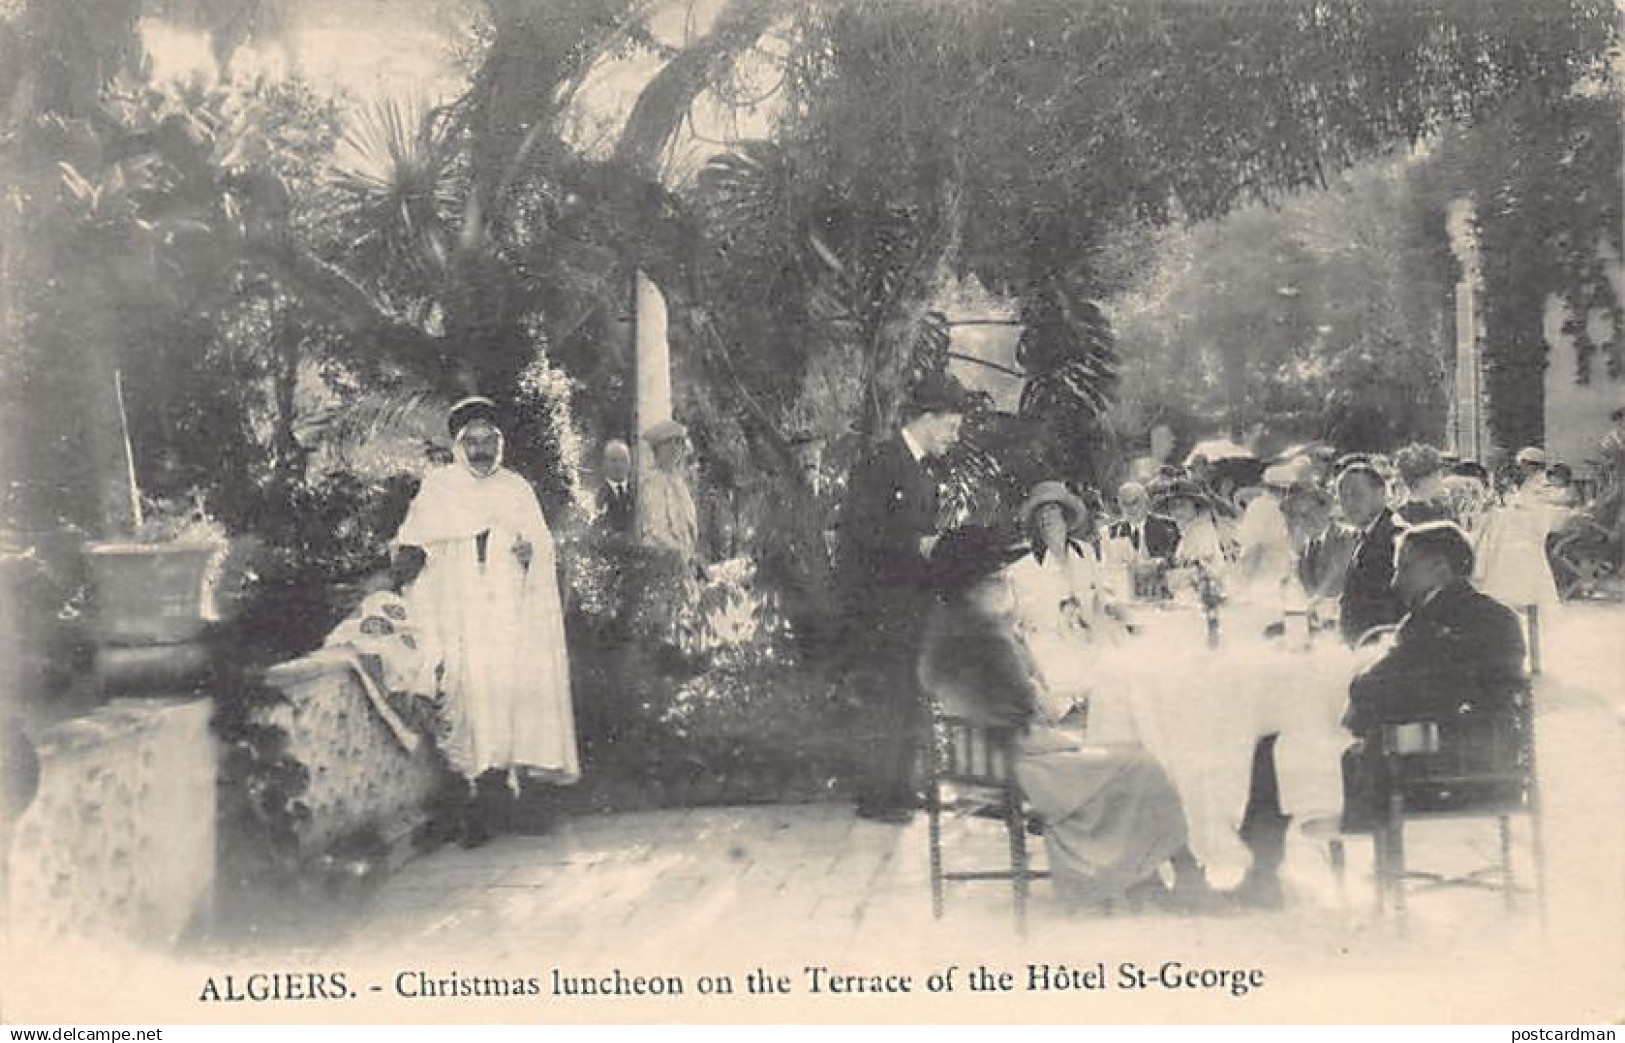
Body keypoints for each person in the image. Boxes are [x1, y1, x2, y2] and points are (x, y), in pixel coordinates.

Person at [917, 526, 1203, 912]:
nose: (1003, 582)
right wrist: (1070, 738)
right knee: (1141, 765)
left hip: (985, 759)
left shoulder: (947, 628)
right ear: (973, 583)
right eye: (996, 576)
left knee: (1124, 761)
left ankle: (1143, 879)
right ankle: (1174, 878)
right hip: (1014, 765)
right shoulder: (984, 637)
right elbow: (1027, 712)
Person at [392, 396, 579, 846]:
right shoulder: (440, 489)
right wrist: (410, 562)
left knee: (508, 700)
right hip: (458, 614)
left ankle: (510, 803)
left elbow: (540, 544)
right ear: (459, 445)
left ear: (500, 444)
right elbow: (410, 545)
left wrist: (530, 553)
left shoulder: (515, 488)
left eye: (488, 441)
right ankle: (476, 805)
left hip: (509, 615)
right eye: (472, 441)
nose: (481, 450)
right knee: (467, 700)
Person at [834, 371, 971, 823]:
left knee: (907, 693)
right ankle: (877, 798)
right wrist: (916, 545)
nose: (953, 438)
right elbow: (859, 531)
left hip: (907, 604)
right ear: (928, 419)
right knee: (885, 696)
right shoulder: (881, 463)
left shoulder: (920, 472)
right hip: (876, 606)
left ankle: (899, 787)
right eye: (951, 427)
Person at [1339, 522, 1528, 830]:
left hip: (1457, 771)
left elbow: (1381, 688)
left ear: (1440, 568)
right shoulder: (1490, 614)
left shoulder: (1440, 618)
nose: (1395, 581)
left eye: (1404, 568)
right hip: (1493, 762)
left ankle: (1365, 858)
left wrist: (1357, 697)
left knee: (1332, 754)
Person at [1007, 481, 1123, 712]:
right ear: (1036, 525)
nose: (1047, 518)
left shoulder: (1085, 552)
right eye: (1041, 514)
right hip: (1050, 643)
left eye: (1053, 511)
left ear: (1066, 518)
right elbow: (1016, 625)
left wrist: (1106, 626)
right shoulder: (1023, 568)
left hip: (1090, 635)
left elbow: (1100, 596)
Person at [1474, 446, 1566, 615]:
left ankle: (1514, 594)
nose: (1520, 469)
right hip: (1522, 525)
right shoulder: (1528, 482)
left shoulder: (1542, 483)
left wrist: (1514, 507)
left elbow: (1540, 506)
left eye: (1521, 465)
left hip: (1531, 529)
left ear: (1531, 466)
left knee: (1508, 540)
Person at [1336, 461, 1405, 646]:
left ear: (1381, 494)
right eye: (1343, 497)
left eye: (1356, 495)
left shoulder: (1397, 538)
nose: (1348, 504)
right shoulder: (1365, 534)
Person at [1232, 459, 1301, 594]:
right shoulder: (1288, 508)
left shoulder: (1260, 506)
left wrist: (1243, 581)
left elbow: (1251, 547)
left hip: (1265, 573)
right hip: (1282, 571)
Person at [639, 420, 700, 566]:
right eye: (668, 443)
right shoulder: (652, 483)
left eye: (678, 443)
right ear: (657, 449)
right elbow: (657, 530)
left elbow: (688, 527)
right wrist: (680, 555)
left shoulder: (679, 485)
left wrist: (690, 556)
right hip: (660, 559)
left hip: (681, 561)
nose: (674, 449)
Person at [1288, 482, 1357, 605]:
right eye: (1300, 515)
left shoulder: (1346, 537)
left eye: (1312, 512)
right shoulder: (1304, 548)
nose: (1307, 520)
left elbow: (1337, 578)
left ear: (1325, 510)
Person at [1153, 478, 1232, 570]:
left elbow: (1203, 571)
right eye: (1173, 506)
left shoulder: (1204, 532)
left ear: (1195, 505)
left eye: (1183, 504)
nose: (1178, 511)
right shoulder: (1184, 536)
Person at [1105, 482, 1180, 561]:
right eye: (1125, 504)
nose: (1130, 508)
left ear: (1146, 501)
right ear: (1119, 505)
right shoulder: (1113, 532)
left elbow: (1174, 559)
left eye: (1134, 502)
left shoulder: (1167, 526)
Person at [1392, 443, 1454, 525]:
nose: (1440, 478)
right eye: (1434, 474)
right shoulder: (1404, 516)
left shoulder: (1443, 508)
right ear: (1419, 481)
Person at [594, 439, 635, 539]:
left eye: (623, 460)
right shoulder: (597, 494)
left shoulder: (638, 492)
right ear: (604, 463)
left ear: (630, 463)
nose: (619, 466)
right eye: (613, 460)